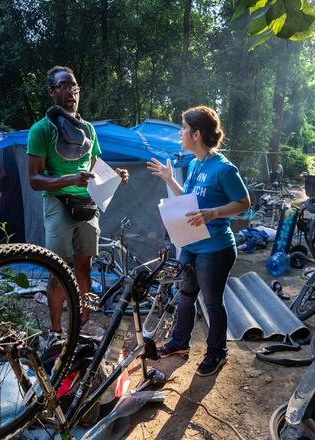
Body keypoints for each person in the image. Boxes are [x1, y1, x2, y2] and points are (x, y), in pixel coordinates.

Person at [147, 105, 250, 376]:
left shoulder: (224, 169)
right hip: (191, 243)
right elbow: (190, 200)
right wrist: (170, 180)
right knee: (185, 296)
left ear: (196, 133)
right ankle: (179, 344)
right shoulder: (194, 163)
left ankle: (218, 352)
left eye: (183, 128)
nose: (180, 132)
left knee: (212, 302)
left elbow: (244, 203)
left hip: (216, 247)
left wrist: (214, 213)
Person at [27, 66, 129, 335]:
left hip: (87, 206)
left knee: (85, 269)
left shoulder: (88, 131)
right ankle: (57, 333)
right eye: (63, 86)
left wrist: (115, 175)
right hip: (58, 204)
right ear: (52, 91)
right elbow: (35, 180)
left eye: (74, 86)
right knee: (58, 271)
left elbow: (94, 168)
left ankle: (84, 324)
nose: (71, 91)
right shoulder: (41, 130)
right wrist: (69, 180)